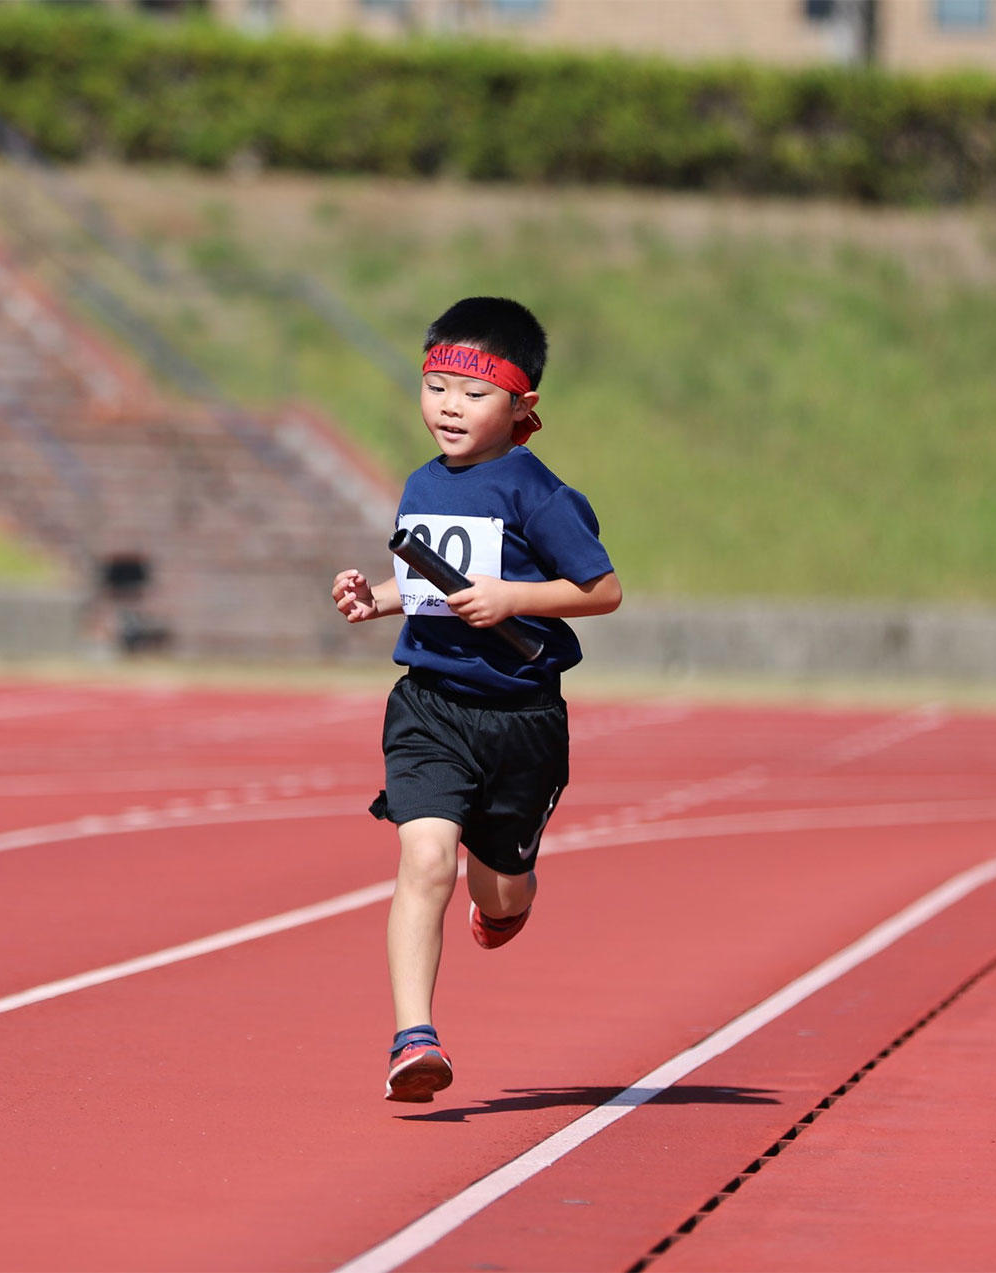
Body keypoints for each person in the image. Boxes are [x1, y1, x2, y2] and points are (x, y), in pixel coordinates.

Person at [331, 297, 622, 1102]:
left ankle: (508, 896)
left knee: (498, 891)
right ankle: (413, 1036)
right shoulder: (422, 483)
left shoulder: (540, 494)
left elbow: (602, 590)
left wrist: (511, 600)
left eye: (473, 393)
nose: (449, 407)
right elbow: (434, 578)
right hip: (430, 708)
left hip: (522, 720)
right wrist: (377, 599)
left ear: (522, 406)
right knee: (424, 860)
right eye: (436, 387)